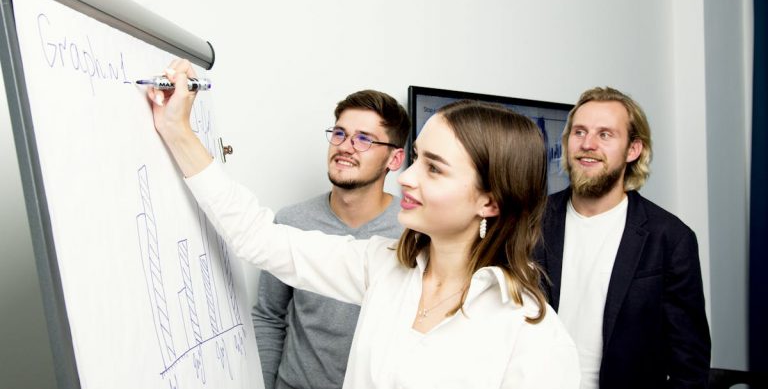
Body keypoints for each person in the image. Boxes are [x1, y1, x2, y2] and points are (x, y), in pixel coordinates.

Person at [148, 59, 579, 388]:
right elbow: (258, 238)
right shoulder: (384, 267)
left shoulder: (530, 330)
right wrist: (179, 131)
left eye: (434, 168)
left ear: (489, 201)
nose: (407, 176)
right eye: (415, 160)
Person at [534, 87, 711, 388]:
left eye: (605, 135)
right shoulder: (530, 222)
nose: (587, 144)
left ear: (633, 150)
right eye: (579, 132)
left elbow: (689, 363)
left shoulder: (670, 238)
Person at [251, 89, 409, 389]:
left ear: (394, 158)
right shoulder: (292, 222)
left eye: (364, 139)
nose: (346, 147)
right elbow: (269, 316)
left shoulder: (413, 234)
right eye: (340, 133)